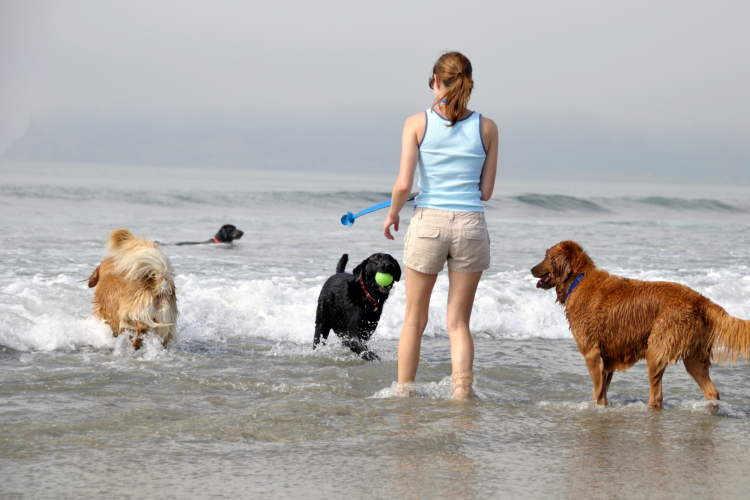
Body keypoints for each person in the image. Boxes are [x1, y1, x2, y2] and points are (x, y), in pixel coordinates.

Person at [383, 51, 498, 400]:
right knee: (458, 324)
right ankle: (462, 396)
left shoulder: (416, 123)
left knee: (414, 320)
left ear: (436, 81)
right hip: (471, 226)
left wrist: (392, 213)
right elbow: (487, 192)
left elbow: (404, 184)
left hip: (428, 222)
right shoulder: (487, 127)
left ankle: (404, 394)